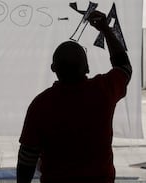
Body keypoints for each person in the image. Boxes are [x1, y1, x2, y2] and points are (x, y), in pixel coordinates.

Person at [17, 10, 132, 183]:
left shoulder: (41, 105)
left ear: (53, 68)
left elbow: (27, 158)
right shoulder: (103, 91)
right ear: (87, 68)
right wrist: (106, 30)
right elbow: (124, 66)